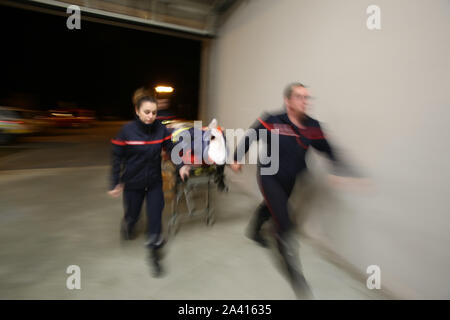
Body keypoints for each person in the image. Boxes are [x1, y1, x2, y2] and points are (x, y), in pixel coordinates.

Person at [231, 82, 357, 299]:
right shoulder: (272, 120)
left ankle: (253, 231)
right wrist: (236, 157)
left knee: (270, 207)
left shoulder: (313, 127)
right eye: (300, 97)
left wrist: (341, 170)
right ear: (288, 101)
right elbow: (251, 136)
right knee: (285, 223)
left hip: (291, 180)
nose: (305, 101)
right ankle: (295, 274)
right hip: (269, 176)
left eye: (307, 97)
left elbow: (328, 149)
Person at [108, 94, 190, 277]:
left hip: (153, 182)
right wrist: (115, 181)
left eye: (154, 112)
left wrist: (182, 165)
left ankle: (154, 254)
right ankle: (128, 224)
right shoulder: (126, 131)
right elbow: (117, 157)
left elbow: (172, 148)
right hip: (133, 183)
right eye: (146, 112)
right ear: (137, 111)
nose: (150, 116)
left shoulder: (161, 130)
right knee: (133, 214)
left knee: (155, 216)